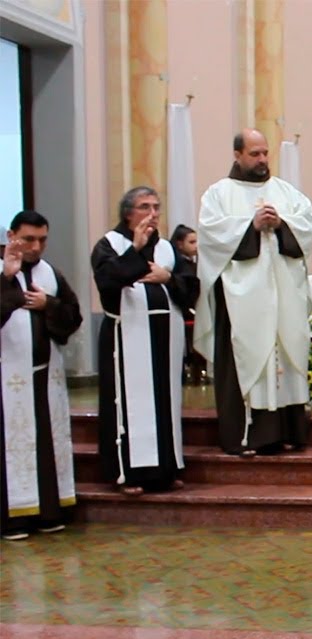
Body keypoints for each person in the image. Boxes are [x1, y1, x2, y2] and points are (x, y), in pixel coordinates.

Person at [195, 129, 312, 456]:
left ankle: (289, 431)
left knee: (286, 358)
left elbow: (307, 227)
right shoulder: (218, 195)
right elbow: (211, 235)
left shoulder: (285, 192)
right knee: (248, 357)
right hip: (241, 300)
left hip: (283, 295)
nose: (262, 160)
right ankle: (248, 435)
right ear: (237, 155)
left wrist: (282, 224)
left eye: (265, 153)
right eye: (255, 154)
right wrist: (249, 225)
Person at [92, 189, 197, 496]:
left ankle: (166, 469)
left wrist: (168, 278)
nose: (152, 213)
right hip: (126, 337)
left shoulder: (166, 248)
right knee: (129, 403)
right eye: (144, 207)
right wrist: (135, 252)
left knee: (164, 400)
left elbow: (190, 286)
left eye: (156, 208)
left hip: (165, 338)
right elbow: (108, 281)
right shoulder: (109, 245)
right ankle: (128, 472)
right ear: (128, 213)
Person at [1, 211, 82, 540]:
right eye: (29, 238)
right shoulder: (2, 270)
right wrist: (8, 281)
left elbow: (73, 317)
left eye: (43, 239)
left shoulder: (51, 274)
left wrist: (48, 305)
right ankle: (13, 519)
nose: (37, 246)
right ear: (12, 235)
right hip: (6, 379)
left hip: (46, 376)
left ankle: (49, 510)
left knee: (47, 445)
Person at [171, 224, 207, 386]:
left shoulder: (195, 264)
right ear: (179, 244)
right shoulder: (179, 266)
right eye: (191, 242)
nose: (196, 246)